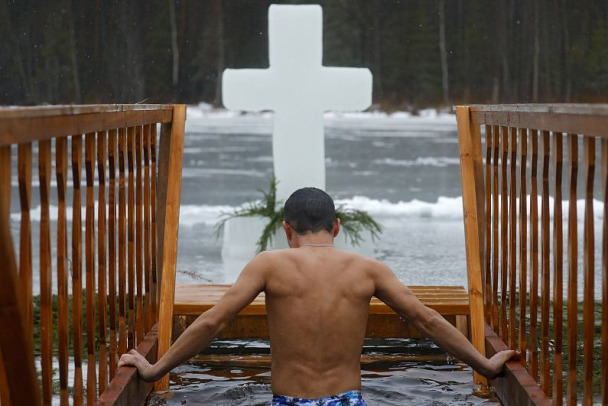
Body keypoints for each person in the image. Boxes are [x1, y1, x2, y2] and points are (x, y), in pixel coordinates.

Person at [119, 187, 516, 406]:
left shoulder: (268, 265)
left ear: (287, 228)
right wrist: (485, 364)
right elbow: (426, 320)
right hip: (348, 401)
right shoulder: (368, 269)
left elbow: (211, 322)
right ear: (337, 227)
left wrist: (154, 369)